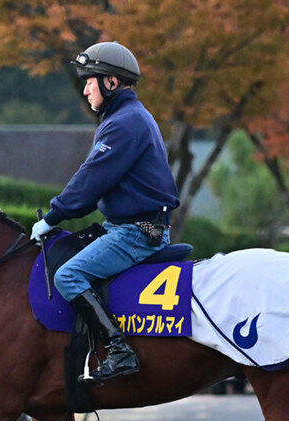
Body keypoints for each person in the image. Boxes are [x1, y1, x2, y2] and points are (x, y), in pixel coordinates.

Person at [30, 41, 180, 382]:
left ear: (111, 82)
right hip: (123, 226)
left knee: (67, 276)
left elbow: (90, 180)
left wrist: (52, 217)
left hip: (136, 233)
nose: (85, 89)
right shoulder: (127, 117)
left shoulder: (124, 122)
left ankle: (119, 352)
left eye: (90, 80)